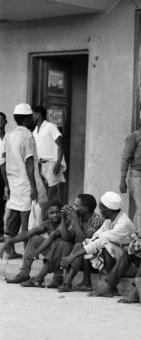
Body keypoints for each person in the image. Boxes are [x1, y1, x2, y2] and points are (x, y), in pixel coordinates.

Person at [59, 191, 135, 292]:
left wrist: (72, 256)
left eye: (101, 208)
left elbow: (99, 241)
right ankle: (107, 283)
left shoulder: (123, 224)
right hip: (116, 260)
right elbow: (94, 238)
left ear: (109, 210)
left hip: (129, 264)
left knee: (105, 246)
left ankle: (110, 286)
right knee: (88, 244)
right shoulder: (109, 220)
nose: (99, 211)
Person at [0, 103, 45, 259]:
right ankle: (28, 254)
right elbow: (29, 164)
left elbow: (3, 163)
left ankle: (9, 251)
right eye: (31, 117)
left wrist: (7, 184)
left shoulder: (9, 136)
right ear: (26, 119)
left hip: (13, 183)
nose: (33, 119)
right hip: (25, 183)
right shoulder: (27, 136)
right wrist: (33, 187)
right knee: (29, 219)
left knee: (13, 217)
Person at [0, 200, 73, 288]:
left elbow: (53, 236)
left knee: (59, 244)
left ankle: (57, 277)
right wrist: (7, 242)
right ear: (47, 214)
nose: (55, 215)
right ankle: (24, 273)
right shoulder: (48, 224)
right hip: (55, 254)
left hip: (68, 254)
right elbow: (27, 233)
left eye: (57, 212)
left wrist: (37, 251)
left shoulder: (66, 222)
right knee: (34, 239)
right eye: (52, 213)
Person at [55, 193, 104, 291]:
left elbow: (85, 241)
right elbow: (66, 237)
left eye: (76, 206)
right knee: (63, 244)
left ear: (85, 209)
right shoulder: (79, 218)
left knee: (79, 245)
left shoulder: (97, 220)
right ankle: (59, 277)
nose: (73, 208)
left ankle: (67, 282)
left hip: (95, 260)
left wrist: (74, 219)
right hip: (78, 258)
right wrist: (63, 218)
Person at [32, 105, 66, 202]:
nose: (32, 116)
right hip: (41, 165)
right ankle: (48, 213)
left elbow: (60, 144)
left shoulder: (50, 126)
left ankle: (54, 212)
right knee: (44, 192)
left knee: (53, 190)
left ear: (39, 114)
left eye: (34, 114)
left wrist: (58, 162)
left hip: (52, 163)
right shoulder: (35, 131)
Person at [0, 112, 8, 242]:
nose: (0, 122)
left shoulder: (8, 138)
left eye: (2, 120)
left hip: (7, 171)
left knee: (2, 203)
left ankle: (1, 232)